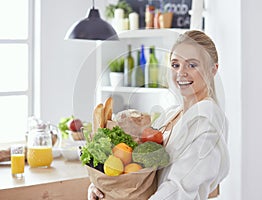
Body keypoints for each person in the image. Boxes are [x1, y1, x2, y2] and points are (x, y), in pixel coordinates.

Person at [88, 30, 230, 200]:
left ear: (213, 70)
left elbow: (179, 190)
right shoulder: (172, 114)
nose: (181, 72)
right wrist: (104, 187)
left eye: (192, 65)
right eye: (176, 65)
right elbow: (140, 167)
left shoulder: (207, 121)